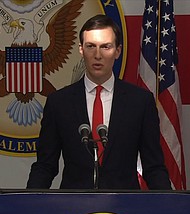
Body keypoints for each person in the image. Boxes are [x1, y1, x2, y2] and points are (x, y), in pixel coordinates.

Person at [27, 14, 171, 190]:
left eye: (105, 47)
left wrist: (168, 204)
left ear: (118, 51)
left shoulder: (140, 102)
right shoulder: (59, 103)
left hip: (125, 207)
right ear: (81, 49)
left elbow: (153, 166)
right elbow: (45, 166)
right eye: (90, 46)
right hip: (74, 208)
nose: (97, 55)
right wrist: (28, 203)